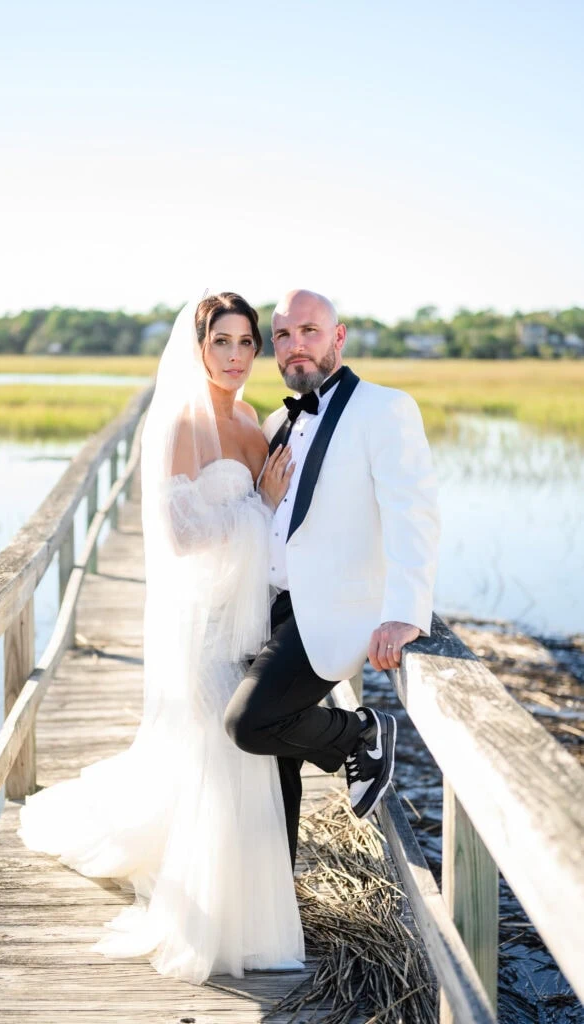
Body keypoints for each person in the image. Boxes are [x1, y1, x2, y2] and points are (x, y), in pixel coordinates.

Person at [17, 292, 306, 984]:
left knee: (243, 756)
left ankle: (254, 913)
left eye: (246, 343)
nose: (236, 357)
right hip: (204, 624)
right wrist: (257, 505)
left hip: (250, 617)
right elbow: (178, 537)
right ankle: (211, 921)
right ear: (198, 347)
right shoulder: (180, 421)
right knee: (220, 752)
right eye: (222, 343)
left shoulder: (252, 421)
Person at [225, 289, 441, 870]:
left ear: (338, 338)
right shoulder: (277, 420)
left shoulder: (385, 408)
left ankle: (358, 735)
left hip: (337, 611)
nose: (296, 347)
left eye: (310, 332)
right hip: (273, 606)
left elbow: (412, 513)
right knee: (275, 767)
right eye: (285, 336)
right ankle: (279, 903)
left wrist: (405, 611)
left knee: (251, 724)